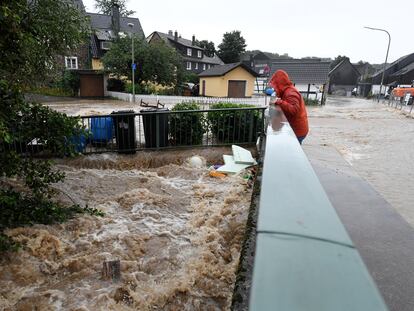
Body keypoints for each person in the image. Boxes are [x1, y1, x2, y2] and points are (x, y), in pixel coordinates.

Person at [268, 70, 309, 144]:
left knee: (294, 152)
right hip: (298, 129)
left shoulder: (290, 93)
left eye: (275, 86)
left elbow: (294, 110)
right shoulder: (287, 90)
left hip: (297, 131)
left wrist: (278, 101)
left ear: (279, 84)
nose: (274, 89)